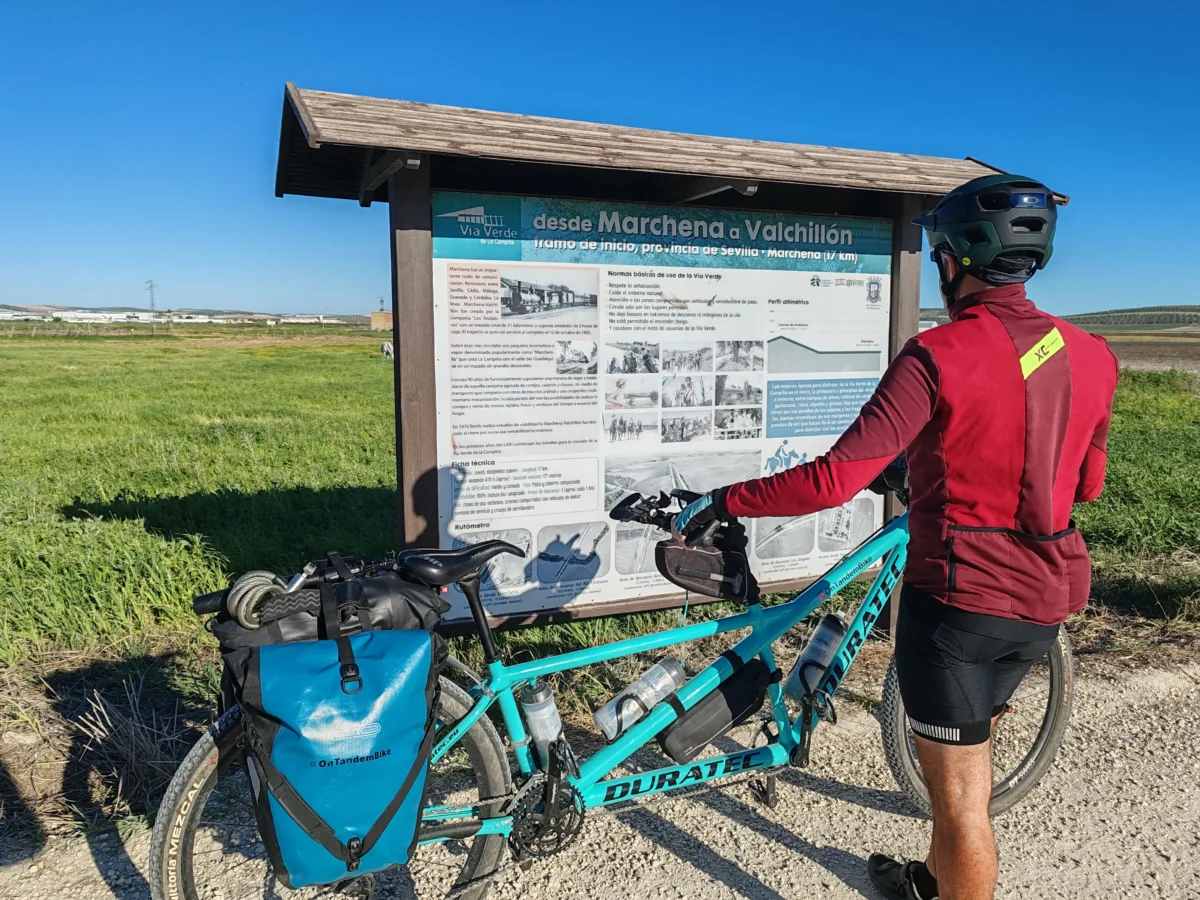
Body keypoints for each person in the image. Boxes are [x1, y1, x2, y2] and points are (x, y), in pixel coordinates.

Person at [674, 174, 1118, 900]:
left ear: (952, 258)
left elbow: (832, 481)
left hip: (958, 606)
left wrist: (725, 499)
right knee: (961, 759)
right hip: (1046, 599)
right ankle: (929, 884)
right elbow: (1087, 485)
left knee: (962, 801)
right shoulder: (1095, 354)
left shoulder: (936, 354)